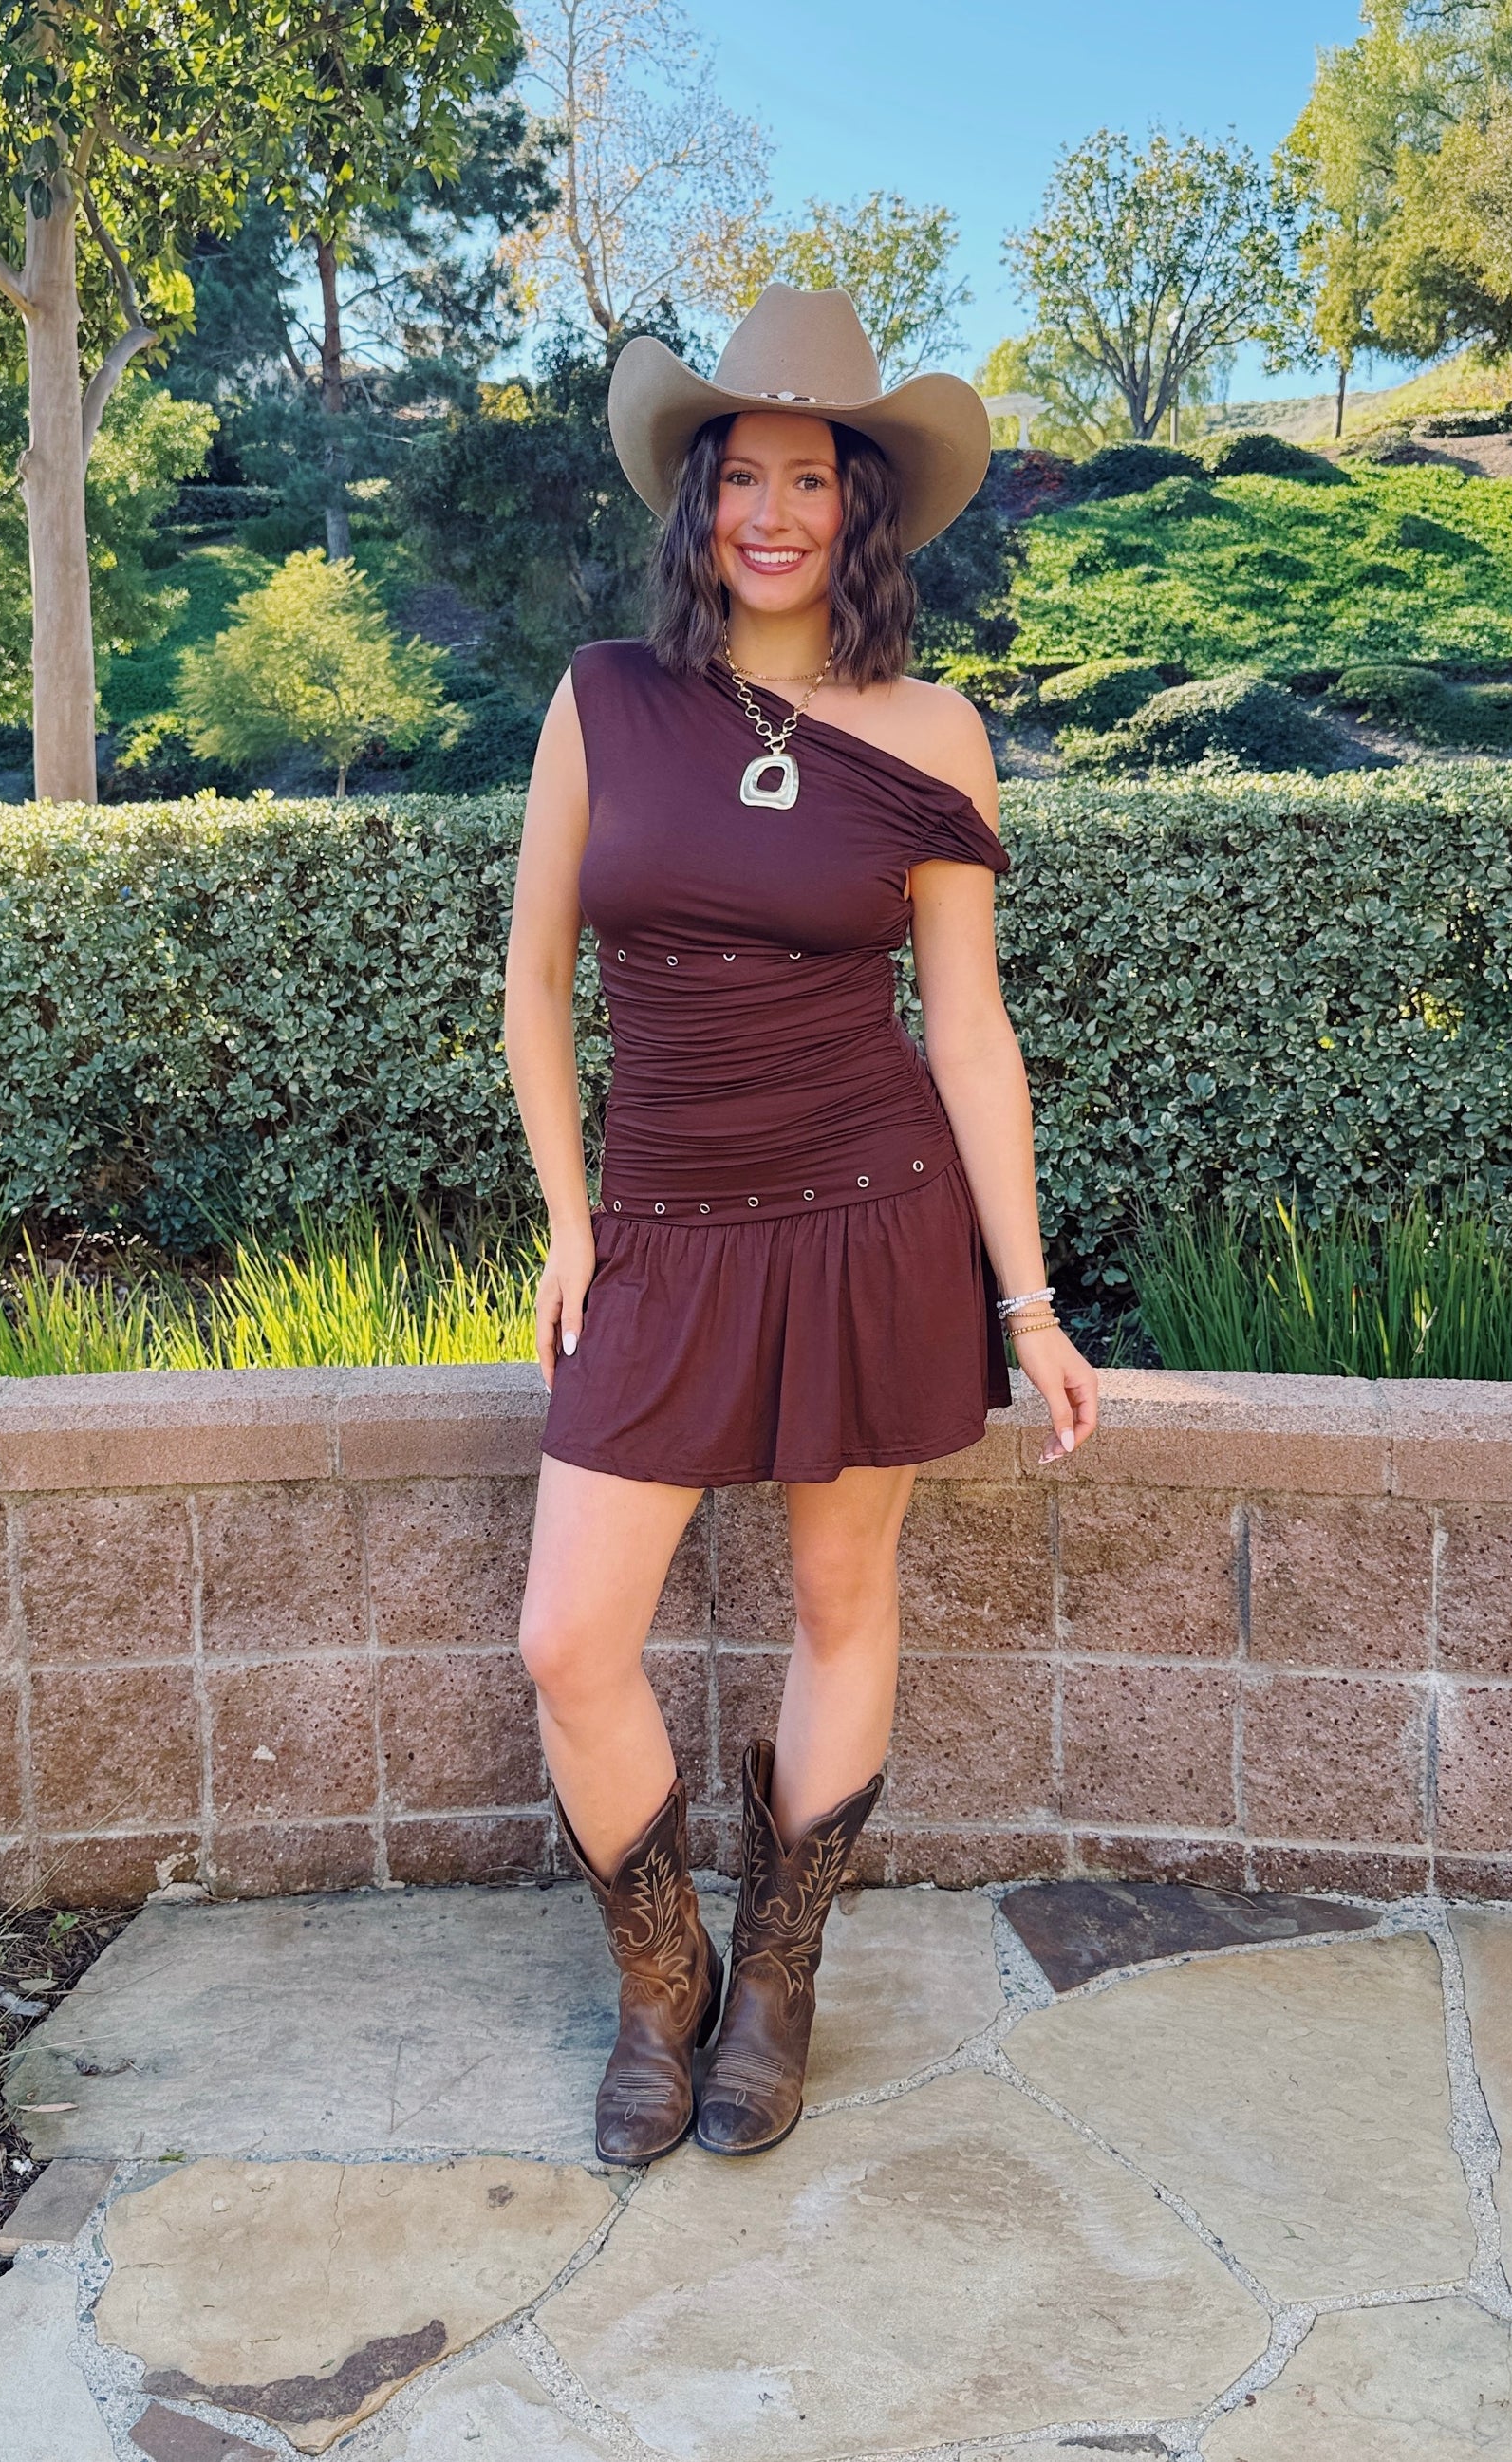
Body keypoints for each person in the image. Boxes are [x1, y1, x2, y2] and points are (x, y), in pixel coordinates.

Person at [504, 284, 1098, 2168]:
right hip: (661, 1230)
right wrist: (570, 1220)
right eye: (741, 474)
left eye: (810, 479)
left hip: (867, 1211)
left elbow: (968, 1029)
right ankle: (661, 1973)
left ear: (861, 511)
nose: (772, 511)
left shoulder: (933, 729)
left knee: (843, 1605)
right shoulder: (605, 697)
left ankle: (775, 1977)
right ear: (700, 501)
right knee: (567, 1637)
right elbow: (531, 986)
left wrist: (1028, 1302)